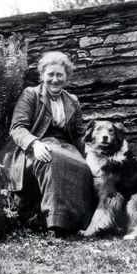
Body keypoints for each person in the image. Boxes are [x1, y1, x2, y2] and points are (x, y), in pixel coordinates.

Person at [9, 51, 94, 236]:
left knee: (85, 168)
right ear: (42, 76)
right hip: (35, 147)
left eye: (59, 75)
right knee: (52, 159)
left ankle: (80, 224)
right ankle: (56, 224)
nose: (55, 80)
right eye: (50, 75)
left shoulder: (73, 101)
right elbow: (17, 128)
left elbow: (80, 134)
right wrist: (35, 144)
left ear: (66, 77)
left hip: (67, 147)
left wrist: (91, 154)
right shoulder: (30, 94)